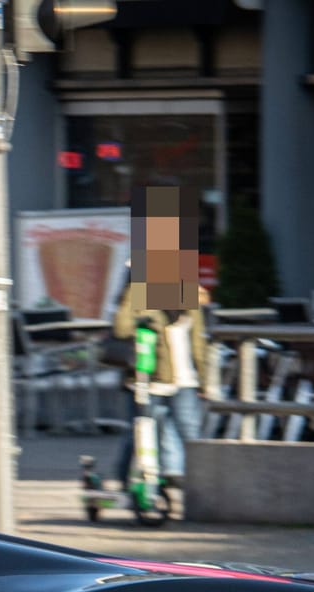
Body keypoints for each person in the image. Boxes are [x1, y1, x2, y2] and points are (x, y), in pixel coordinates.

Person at [111, 187, 212, 489]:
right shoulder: (137, 280)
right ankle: (131, 481)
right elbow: (121, 326)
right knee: (143, 432)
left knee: (188, 433)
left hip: (184, 379)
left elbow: (198, 340)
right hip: (149, 376)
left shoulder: (187, 289)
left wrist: (205, 380)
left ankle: (189, 485)